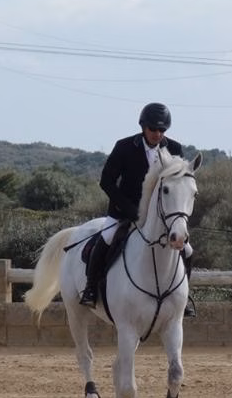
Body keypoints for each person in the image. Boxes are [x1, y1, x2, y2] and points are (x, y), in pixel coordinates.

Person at [80, 102, 196, 316]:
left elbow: (178, 185)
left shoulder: (174, 149)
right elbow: (106, 181)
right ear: (143, 127)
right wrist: (129, 208)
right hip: (124, 212)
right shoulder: (124, 147)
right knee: (105, 238)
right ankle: (90, 289)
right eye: (153, 129)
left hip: (159, 217)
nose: (157, 134)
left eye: (162, 130)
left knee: (187, 250)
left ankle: (184, 298)